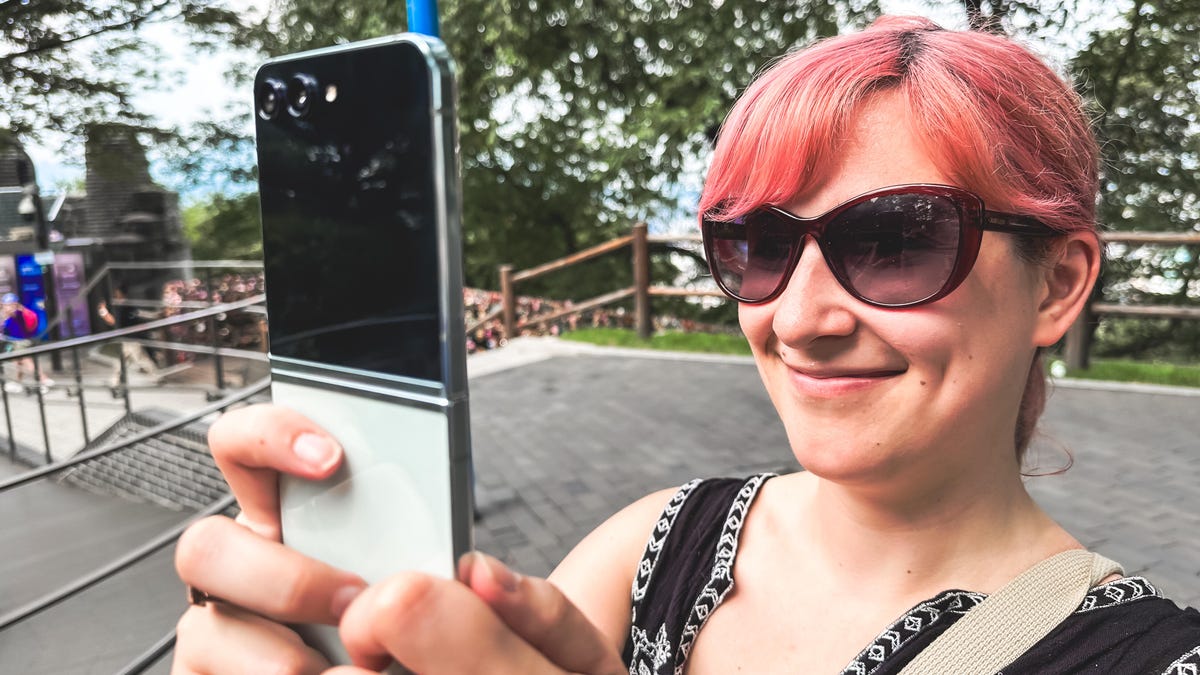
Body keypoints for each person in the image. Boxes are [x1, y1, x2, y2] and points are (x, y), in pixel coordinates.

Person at [172, 16, 1200, 674]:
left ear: (1058, 284)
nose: (798, 317)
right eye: (755, 245)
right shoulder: (661, 543)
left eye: (892, 242)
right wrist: (329, 625)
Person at [1, 292, 52, 394]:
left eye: (6, 304)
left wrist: (10, 310)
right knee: (18, 363)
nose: (5, 307)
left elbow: (13, 317)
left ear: (13, 304)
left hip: (20, 343)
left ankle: (44, 380)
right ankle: (17, 383)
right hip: (17, 342)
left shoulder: (16, 312)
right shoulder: (15, 312)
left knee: (27, 362)